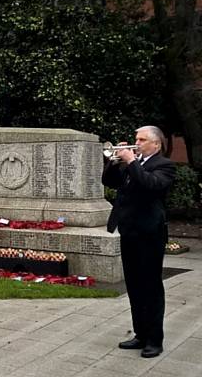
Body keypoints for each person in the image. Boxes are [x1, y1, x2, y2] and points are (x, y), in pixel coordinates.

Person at [102, 126, 175, 358]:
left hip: (150, 233)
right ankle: (140, 334)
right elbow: (110, 182)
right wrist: (114, 162)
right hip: (129, 231)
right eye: (136, 139)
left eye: (142, 139)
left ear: (156, 144)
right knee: (133, 285)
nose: (137, 143)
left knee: (151, 287)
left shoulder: (164, 165)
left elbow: (150, 185)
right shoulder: (134, 163)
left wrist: (131, 160)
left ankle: (155, 339)